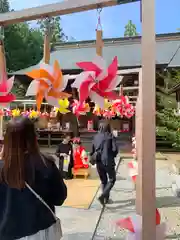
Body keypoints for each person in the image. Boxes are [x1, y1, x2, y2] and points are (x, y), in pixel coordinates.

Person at [0, 117, 67, 239]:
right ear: (33, 137)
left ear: (7, 139)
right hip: (40, 230)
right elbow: (59, 198)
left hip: (7, 232)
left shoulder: (2, 168)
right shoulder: (45, 163)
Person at [91, 122, 118, 205]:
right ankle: (103, 196)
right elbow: (115, 150)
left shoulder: (95, 137)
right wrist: (112, 155)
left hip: (98, 162)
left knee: (103, 181)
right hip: (108, 161)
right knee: (112, 179)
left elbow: (92, 151)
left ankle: (105, 200)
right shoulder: (110, 136)